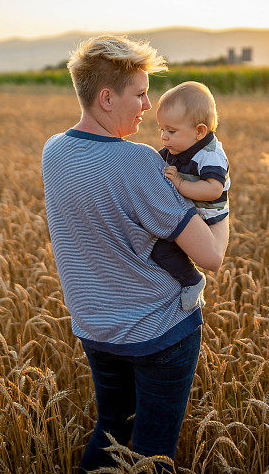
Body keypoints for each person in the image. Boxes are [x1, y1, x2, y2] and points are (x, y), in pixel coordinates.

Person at [41, 35, 229, 472]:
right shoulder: (138, 162)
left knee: (110, 432)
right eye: (141, 94)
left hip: (95, 330)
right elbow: (212, 256)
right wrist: (221, 201)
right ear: (106, 98)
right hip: (158, 332)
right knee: (153, 454)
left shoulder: (55, 150)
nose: (149, 105)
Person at [152, 81, 230, 312]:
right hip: (192, 211)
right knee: (158, 247)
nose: (164, 137)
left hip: (208, 217)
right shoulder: (178, 147)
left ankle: (192, 280)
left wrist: (180, 183)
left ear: (199, 131)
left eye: (171, 131)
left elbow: (213, 189)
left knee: (164, 244)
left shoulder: (210, 155)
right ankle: (184, 283)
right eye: (161, 130)